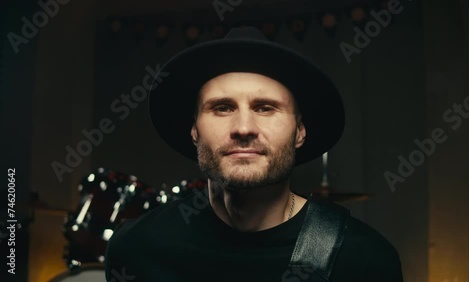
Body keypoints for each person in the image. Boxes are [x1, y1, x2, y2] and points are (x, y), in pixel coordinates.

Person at [105, 26, 404, 282]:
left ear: (299, 131)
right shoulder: (137, 249)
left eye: (265, 108)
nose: (244, 127)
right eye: (222, 108)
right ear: (194, 130)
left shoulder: (363, 260)